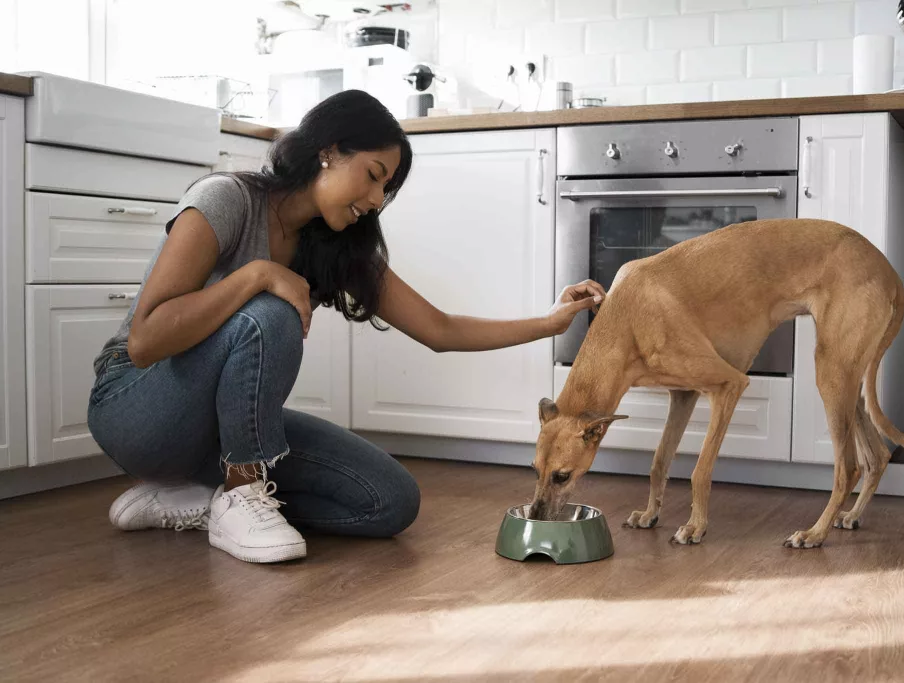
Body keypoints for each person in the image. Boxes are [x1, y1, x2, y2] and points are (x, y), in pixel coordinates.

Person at [87, 90, 605, 564]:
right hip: (136, 410)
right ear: (328, 151)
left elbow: (439, 329)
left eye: (387, 187)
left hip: (220, 430)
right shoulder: (226, 198)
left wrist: (550, 321)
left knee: (390, 501)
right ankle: (242, 492)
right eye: (374, 174)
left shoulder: (339, 243)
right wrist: (257, 275)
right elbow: (145, 340)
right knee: (271, 309)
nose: (378, 199)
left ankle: (200, 497)